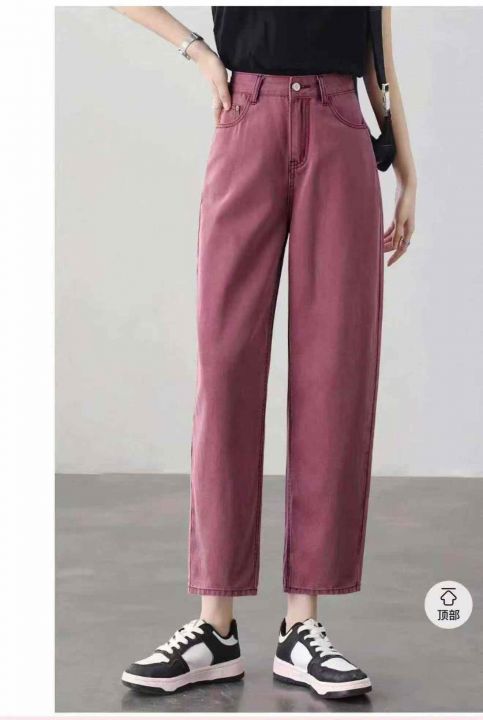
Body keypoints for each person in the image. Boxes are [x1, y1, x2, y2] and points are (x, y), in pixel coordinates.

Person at [115, 6, 417, 699]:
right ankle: (214, 627)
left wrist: (407, 174)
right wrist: (198, 52)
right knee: (224, 374)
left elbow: (378, 64)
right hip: (245, 119)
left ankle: (302, 628)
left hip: (340, 128)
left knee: (333, 375)